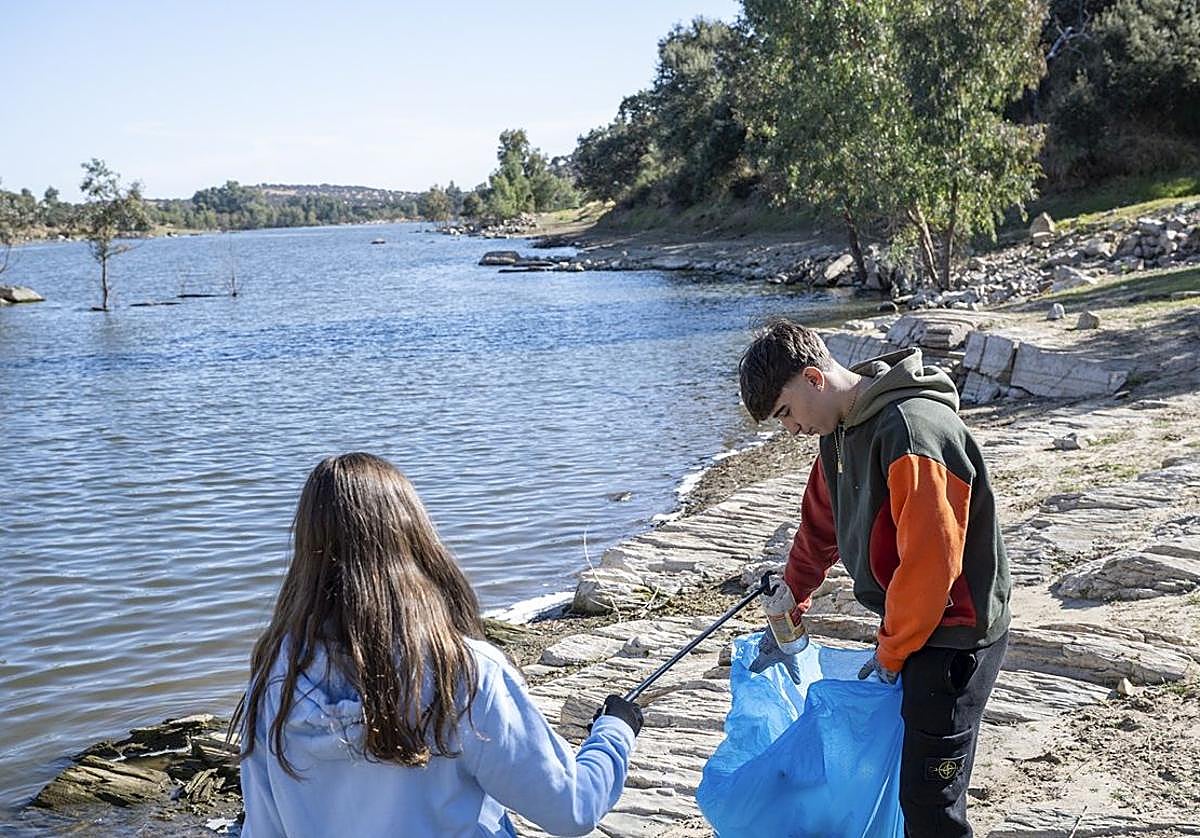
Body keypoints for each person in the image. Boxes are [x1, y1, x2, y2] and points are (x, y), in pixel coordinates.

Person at [233, 452, 642, 837]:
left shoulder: (275, 681)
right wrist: (614, 731)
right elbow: (570, 810)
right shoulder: (464, 671)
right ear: (413, 538)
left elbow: (263, 830)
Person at [738, 319, 1011, 837]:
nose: (789, 429)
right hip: (915, 627)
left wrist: (888, 656)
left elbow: (931, 567)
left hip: (956, 634)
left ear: (814, 378)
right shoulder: (840, 433)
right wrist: (789, 600)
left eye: (786, 412)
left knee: (931, 804)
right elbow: (820, 527)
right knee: (912, 788)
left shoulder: (912, 431)